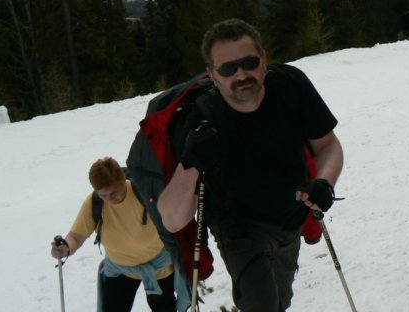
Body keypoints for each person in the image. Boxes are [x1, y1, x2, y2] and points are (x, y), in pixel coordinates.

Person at [157, 19, 344, 312]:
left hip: (290, 216)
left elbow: (328, 145)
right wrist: (191, 162)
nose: (241, 74)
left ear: (264, 60)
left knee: (280, 302)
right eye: (228, 69)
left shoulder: (290, 86)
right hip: (238, 226)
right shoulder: (201, 119)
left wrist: (324, 183)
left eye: (249, 62)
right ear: (213, 75)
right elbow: (172, 219)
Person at [50, 157, 182, 312]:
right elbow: (76, 237)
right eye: (103, 195)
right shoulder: (94, 203)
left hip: (159, 267)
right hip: (120, 269)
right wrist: (66, 248)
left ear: (123, 181)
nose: (109, 199)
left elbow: (174, 220)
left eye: (114, 192)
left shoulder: (144, 192)